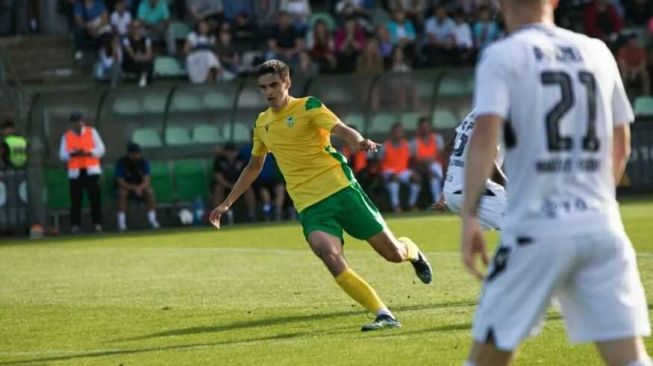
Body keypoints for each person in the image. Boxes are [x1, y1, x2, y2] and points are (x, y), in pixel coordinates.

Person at [460, 1, 651, 365]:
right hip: (602, 229)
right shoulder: (596, 51)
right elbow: (621, 142)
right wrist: (594, 204)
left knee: (486, 358)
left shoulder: (502, 57)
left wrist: (470, 215)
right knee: (631, 359)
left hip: (536, 228)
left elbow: (484, 140)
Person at [209, 60, 433, 331]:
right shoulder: (262, 123)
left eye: (274, 85)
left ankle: (413, 251)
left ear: (287, 83)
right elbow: (253, 167)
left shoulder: (308, 106)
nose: (269, 92)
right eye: (263, 87)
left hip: (341, 190)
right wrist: (226, 204)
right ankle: (383, 313)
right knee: (329, 254)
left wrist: (358, 141)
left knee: (393, 254)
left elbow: (341, 129)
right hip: (310, 205)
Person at [433, 111, 506, 231]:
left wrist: (445, 190)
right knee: (523, 223)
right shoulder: (497, 114)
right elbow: (485, 159)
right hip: (469, 190)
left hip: (456, 191)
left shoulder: (475, 114)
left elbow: (447, 150)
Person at [58, 112, 105, 234]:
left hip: (91, 170)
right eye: (74, 122)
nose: (77, 124)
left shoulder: (91, 132)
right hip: (75, 172)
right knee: (76, 200)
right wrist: (72, 154)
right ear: (72, 123)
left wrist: (88, 151)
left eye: (78, 121)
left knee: (94, 199)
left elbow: (101, 149)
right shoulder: (67, 136)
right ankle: (75, 225)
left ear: (82, 121)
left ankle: (97, 224)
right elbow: (62, 155)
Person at [115, 142, 160, 232]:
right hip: (127, 188)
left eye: (137, 153)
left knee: (149, 192)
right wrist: (133, 188)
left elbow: (147, 180)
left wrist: (140, 188)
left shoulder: (143, 162)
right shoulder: (121, 162)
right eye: (133, 153)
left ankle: (152, 220)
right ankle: (122, 224)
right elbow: (120, 181)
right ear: (128, 154)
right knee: (122, 193)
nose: (135, 155)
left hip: (140, 188)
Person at [380, 122, 421, 213]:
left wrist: (413, 171)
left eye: (400, 132)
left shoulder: (407, 145)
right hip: (388, 170)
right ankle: (396, 206)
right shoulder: (385, 146)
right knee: (394, 178)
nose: (398, 134)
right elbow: (379, 162)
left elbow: (411, 160)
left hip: (403, 171)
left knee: (416, 178)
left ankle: (412, 204)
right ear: (392, 133)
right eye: (396, 132)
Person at [212, 143, 256, 224]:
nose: (232, 154)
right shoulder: (219, 161)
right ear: (225, 152)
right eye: (229, 152)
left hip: (239, 185)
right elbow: (218, 177)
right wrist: (229, 185)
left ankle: (251, 213)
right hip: (225, 185)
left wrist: (237, 186)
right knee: (218, 189)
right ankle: (216, 215)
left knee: (249, 188)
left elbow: (246, 175)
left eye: (233, 152)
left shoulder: (241, 159)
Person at [411, 117, 444, 205]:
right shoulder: (415, 141)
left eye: (426, 127)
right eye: (422, 127)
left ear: (429, 127)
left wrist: (431, 159)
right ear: (419, 129)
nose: (424, 129)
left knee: (434, 177)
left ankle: (438, 203)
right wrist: (426, 162)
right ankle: (438, 202)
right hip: (422, 168)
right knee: (434, 174)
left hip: (437, 165)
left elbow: (441, 152)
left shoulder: (437, 138)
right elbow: (416, 158)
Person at [122, 20, 154, 87]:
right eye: (134, 27)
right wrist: (142, 57)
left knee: (148, 62)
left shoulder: (146, 39)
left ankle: (143, 78)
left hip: (143, 61)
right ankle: (144, 79)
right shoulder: (126, 40)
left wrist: (141, 57)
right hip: (131, 63)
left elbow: (149, 54)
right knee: (146, 63)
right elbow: (132, 55)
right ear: (131, 29)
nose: (136, 29)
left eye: (138, 27)